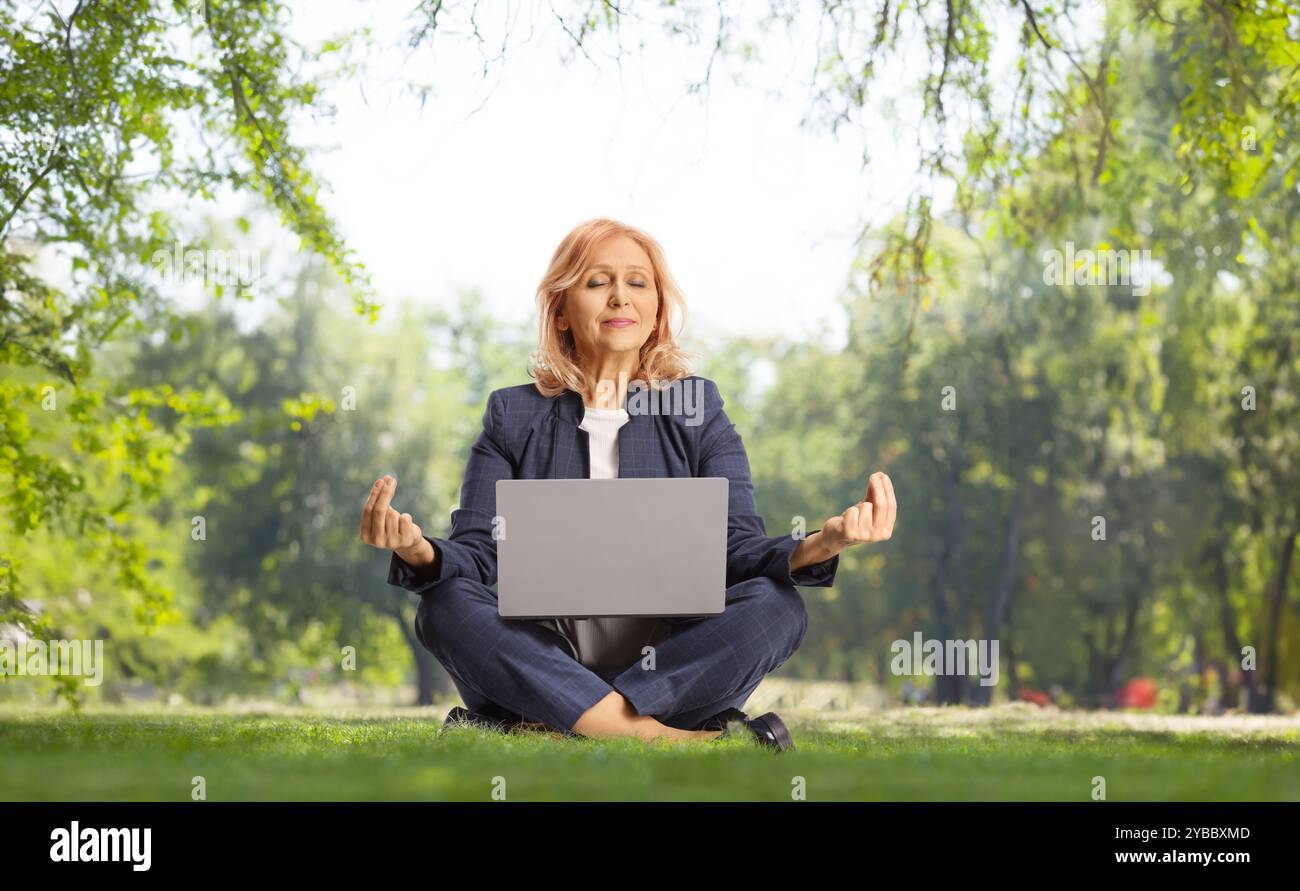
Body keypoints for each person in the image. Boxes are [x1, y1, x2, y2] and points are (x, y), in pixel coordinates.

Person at [359, 217, 896, 749]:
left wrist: (824, 543)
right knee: (444, 605)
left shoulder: (697, 410)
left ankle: (564, 722)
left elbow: (738, 550)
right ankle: (664, 738)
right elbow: (476, 556)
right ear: (563, 312)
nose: (620, 297)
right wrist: (417, 549)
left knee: (780, 605)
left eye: (637, 283)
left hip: (668, 665)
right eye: (598, 283)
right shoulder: (512, 416)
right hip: (544, 654)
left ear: (656, 310)